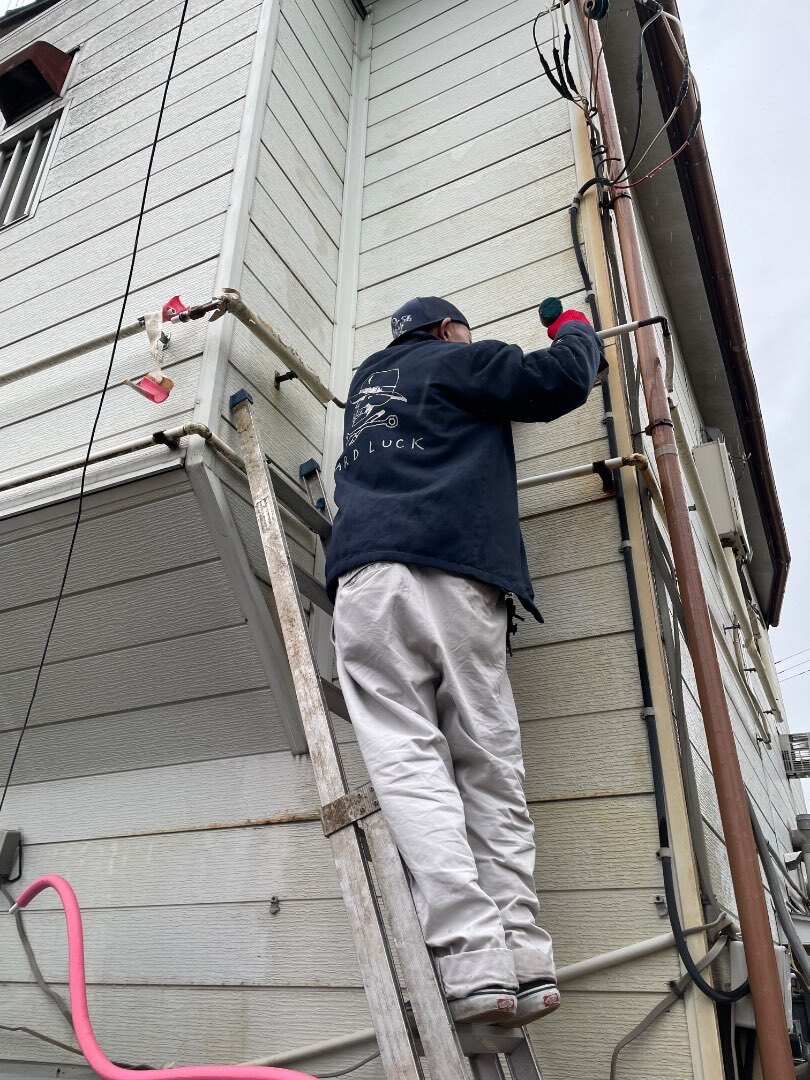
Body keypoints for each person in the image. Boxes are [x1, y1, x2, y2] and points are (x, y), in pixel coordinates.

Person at [325, 296, 603, 1026]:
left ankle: (476, 965)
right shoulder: (457, 359)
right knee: (488, 767)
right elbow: (557, 381)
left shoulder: (365, 393)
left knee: (409, 765)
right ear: (448, 331)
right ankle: (525, 958)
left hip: (366, 583)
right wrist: (575, 331)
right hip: (454, 576)